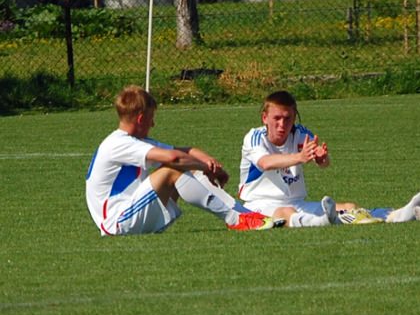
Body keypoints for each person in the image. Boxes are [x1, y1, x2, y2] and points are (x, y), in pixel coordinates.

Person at [85, 85, 286, 236]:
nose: (153, 123)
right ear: (140, 119)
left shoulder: (133, 141)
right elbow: (174, 158)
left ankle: (245, 215)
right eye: (151, 117)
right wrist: (205, 167)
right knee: (174, 168)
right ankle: (235, 219)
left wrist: (207, 162)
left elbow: (182, 150)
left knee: (186, 165)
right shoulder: (118, 144)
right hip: (116, 223)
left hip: (128, 214)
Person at [239, 90, 416, 226]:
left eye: (288, 118)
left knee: (348, 207)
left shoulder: (301, 134)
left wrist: (322, 159)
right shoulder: (255, 137)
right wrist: (300, 157)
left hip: (297, 202)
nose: (282, 124)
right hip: (258, 206)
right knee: (286, 213)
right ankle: (323, 221)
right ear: (264, 118)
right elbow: (265, 162)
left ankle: (398, 214)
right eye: (276, 118)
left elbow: (323, 163)